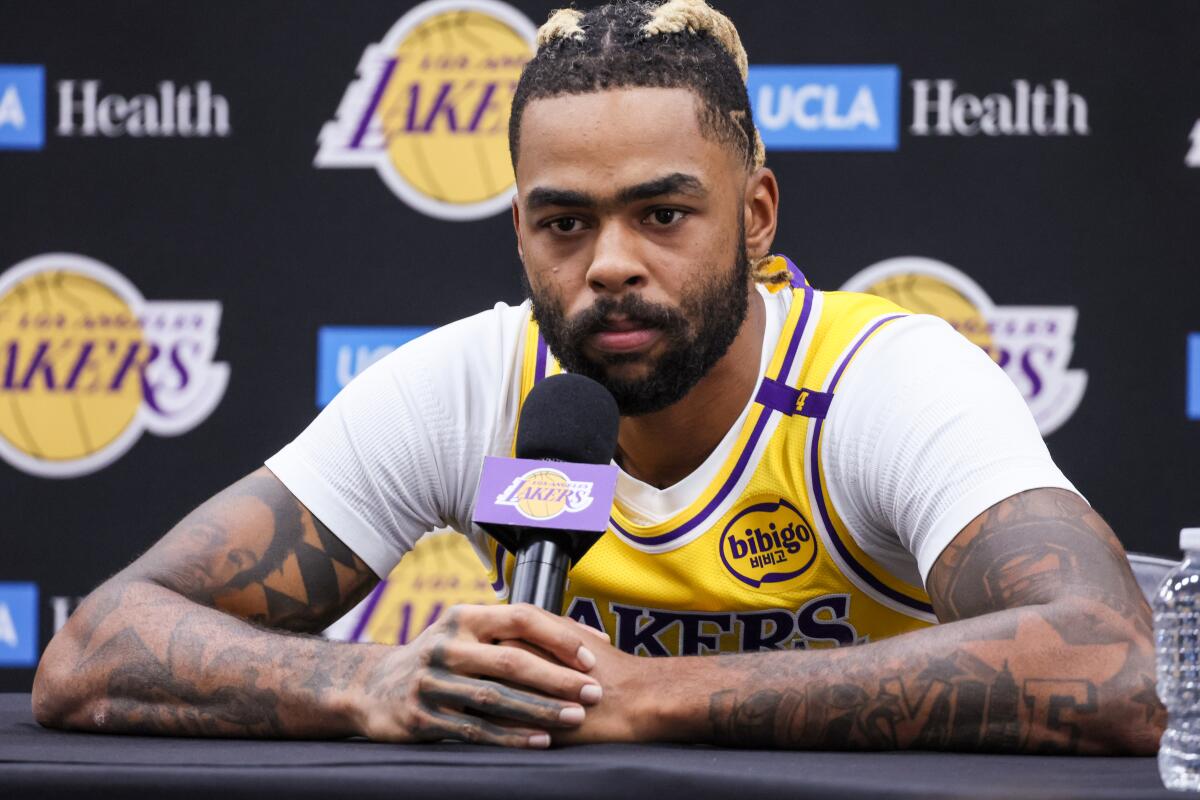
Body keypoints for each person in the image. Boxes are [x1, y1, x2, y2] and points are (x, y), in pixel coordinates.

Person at [33, 0, 1161, 753]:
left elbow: (1114, 660)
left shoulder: (883, 377)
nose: (610, 262)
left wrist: (642, 692)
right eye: (565, 221)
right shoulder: (478, 378)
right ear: (521, 230)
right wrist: (365, 682)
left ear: (756, 217)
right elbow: (91, 649)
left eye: (663, 213)